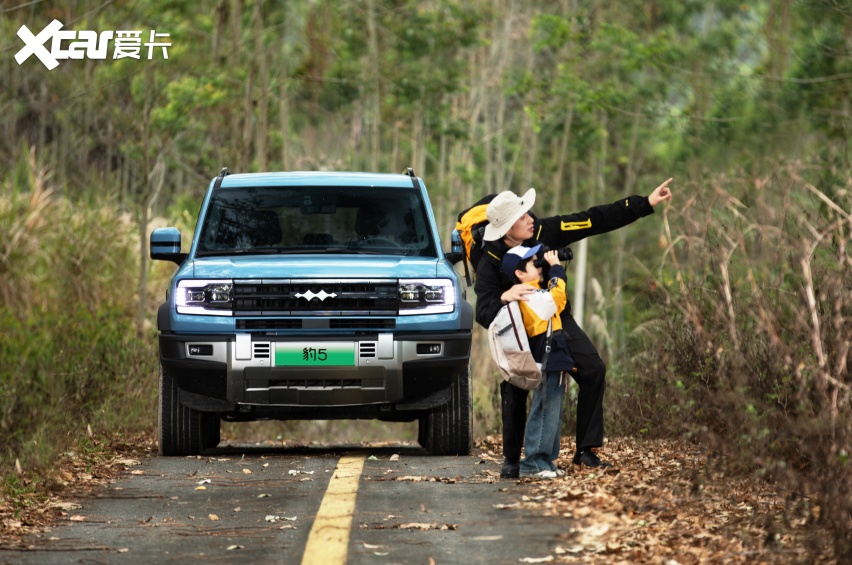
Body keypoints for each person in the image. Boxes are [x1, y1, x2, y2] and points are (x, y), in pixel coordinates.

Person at [474, 179, 673, 478]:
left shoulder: (544, 231)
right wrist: (504, 296)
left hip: (555, 317)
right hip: (519, 328)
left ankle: (585, 452)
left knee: (593, 369)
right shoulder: (488, 260)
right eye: (522, 218)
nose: (531, 219)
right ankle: (513, 459)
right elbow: (483, 312)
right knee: (516, 387)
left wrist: (644, 203)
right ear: (505, 230)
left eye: (528, 213)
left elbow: (593, 220)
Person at [502, 245, 576, 479]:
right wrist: (556, 269)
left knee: (552, 408)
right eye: (534, 263)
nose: (540, 265)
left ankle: (546, 461)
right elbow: (555, 299)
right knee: (545, 407)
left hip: (554, 352)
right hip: (545, 354)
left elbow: (558, 303)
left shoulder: (536, 291)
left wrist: (552, 272)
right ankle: (534, 461)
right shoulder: (526, 293)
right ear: (520, 273)